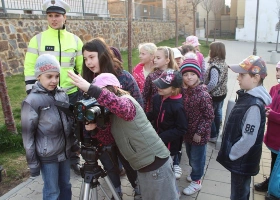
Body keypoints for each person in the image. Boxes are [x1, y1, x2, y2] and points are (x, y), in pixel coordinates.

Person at [68, 71, 179, 200]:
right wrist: (96, 128)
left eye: (101, 92)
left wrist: (92, 90)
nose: (98, 99)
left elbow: (122, 108)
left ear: (114, 88)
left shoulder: (126, 101)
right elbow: (109, 139)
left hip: (155, 165)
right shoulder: (111, 112)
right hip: (144, 166)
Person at [23, 0, 83, 175]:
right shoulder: (38, 40)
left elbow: (81, 67)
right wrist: (30, 91)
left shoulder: (75, 40)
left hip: (69, 93)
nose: (53, 19)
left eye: (57, 16)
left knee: (72, 128)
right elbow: (29, 66)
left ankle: (74, 160)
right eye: (50, 16)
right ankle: (50, 161)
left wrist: (82, 88)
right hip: (45, 95)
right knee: (49, 129)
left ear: (65, 17)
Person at [81, 38, 142, 199]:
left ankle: (139, 190)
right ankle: (116, 192)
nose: (88, 62)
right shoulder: (87, 82)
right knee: (110, 168)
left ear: (102, 55)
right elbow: (86, 111)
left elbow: (138, 105)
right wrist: (88, 135)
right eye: (85, 58)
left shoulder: (124, 78)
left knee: (130, 166)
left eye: (91, 57)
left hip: (125, 136)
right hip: (102, 137)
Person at [21, 54, 78, 200]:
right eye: (49, 76)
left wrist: (74, 145)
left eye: (57, 76)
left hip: (65, 152)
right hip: (48, 156)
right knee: (52, 192)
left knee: (66, 185)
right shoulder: (32, 101)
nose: (54, 81)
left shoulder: (62, 94)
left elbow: (69, 123)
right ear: (39, 76)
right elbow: (28, 137)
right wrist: (33, 163)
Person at [217, 55, 272, 200]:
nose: (238, 78)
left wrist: (232, 154)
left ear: (256, 78)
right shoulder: (247, 97)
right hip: (242, 160)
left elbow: (248, 138)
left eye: (242, 74)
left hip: (241, 160)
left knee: (239, 194)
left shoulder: (253, 104)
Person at [179, 57, 214, 195]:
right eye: (186, 75)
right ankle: (195, 172)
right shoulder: (186, 92)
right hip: (188, 132)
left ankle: (197, 181)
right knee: (190, 155)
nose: (189, 77)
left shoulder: (203, 94)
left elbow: (209, 116)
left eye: (192, 74)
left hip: (199, 134)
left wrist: (199, 132)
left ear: (198, 75)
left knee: (197, 157)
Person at [146, 69, 188, 180]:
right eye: (159, 83)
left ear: (174, 89)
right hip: (157, 138)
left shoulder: (178, 106)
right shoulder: (157, 98)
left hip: (170, 144)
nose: (158, 87)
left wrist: (162, 137)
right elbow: (154, 113)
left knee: (168, 167)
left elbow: (182, 128)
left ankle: (172, 190)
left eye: (163, 86)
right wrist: (143, 117)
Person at [254, 61, 280, 194]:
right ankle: (271, 182)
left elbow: (274, 113)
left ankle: (274, 188)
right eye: (277, 70)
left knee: (278, 165)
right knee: (273, 161)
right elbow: (267, 103)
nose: (278, 74)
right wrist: (265, 109)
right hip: (272, 135)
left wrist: (273, 115)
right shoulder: (275, 88)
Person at [204, 41, 228, 143]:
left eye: (210, 49)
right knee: (218, 113)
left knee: (211, 115)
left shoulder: (214, 66)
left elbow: (213, 83)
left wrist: (204, 90)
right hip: (222, 93)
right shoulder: (223, 63)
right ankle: (217, 131)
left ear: (214, 51)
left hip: (214, 95)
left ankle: (213, 135)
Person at [142, 46, 177, 112]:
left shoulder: (175, 75)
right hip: (155, 113)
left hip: (171, 113)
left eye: (158, 58)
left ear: (167, 61)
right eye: (154, 57)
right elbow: (144, 96)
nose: (154, 60)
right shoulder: (151, 76)